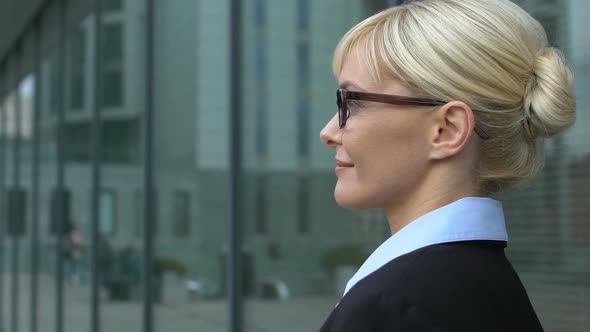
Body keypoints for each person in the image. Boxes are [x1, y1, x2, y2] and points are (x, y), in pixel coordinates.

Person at [318, 0, 575, 331]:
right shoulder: (482, 286)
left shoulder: (394, 306)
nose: (328, 132)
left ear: (447, 130)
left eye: (352, 102)